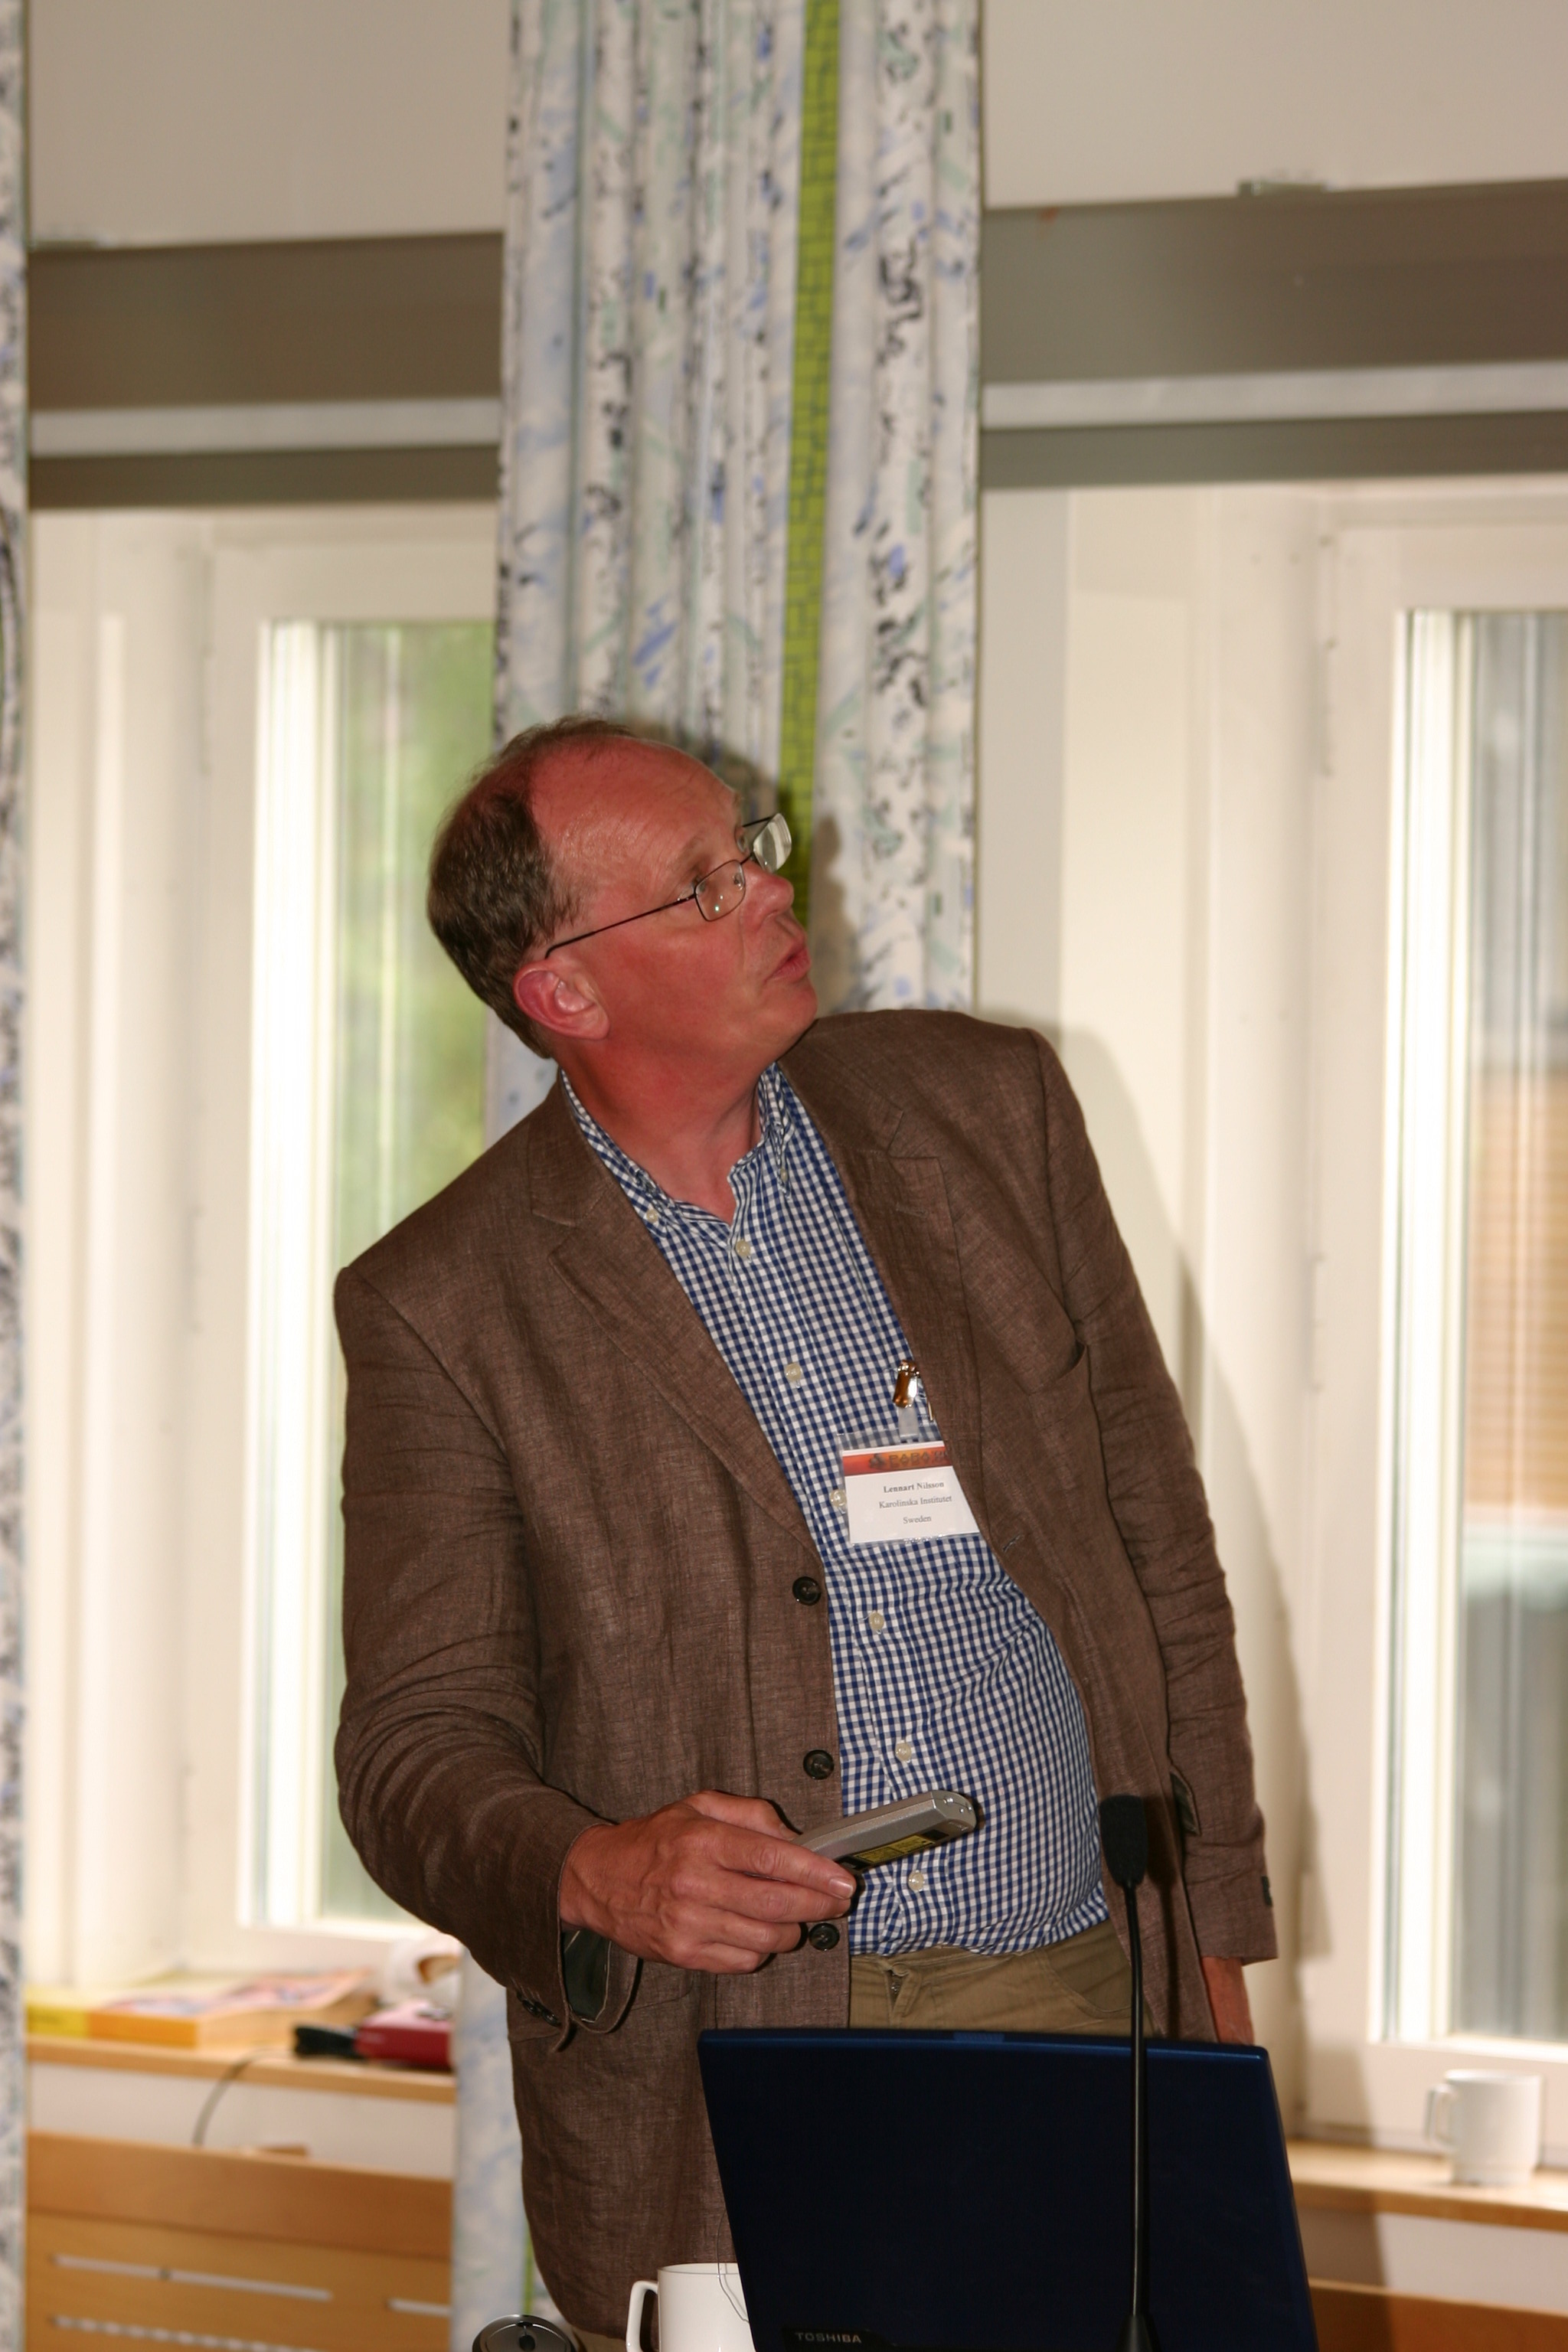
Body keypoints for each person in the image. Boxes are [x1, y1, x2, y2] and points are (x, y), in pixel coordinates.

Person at [335, 717, 1276, 2346]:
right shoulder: (444, 1303)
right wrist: (593, 1870)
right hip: (743, 2072)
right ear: (566, 989)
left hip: (1096, 1997)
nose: (774, 892)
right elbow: (412, 1751)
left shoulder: (988, 1107)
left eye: (750, 849)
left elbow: (1157, 1547)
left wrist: (1216, 1951)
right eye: (704, 885)